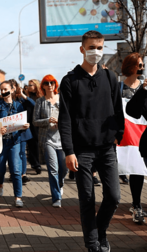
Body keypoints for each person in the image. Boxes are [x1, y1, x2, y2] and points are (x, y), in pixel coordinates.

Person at [59, 30, 124, 252]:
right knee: (87, 200)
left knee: (114, 196)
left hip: (107, 148)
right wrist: (69, 151)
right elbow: (65, 119)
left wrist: (119, 134)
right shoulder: (69, 81)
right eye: (91, 47)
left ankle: (100, 231)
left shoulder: (110, 77)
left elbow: (117, 109)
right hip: (82, 151)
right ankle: (93, 245)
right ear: (82, 49)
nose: (96, 51)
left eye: (99, 47)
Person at [0, 80, 30, 208]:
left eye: (6, 89)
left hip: (15, 141)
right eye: (1, 90)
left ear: (12, 89)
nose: (3, 92)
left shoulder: (19, 105)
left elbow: (22, 122)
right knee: (0, 168)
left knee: (16, 170)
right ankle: (0, 183)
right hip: (0, 143)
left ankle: (18, 197)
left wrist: (25, 126)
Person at [119, 53, 147, 224]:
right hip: (123, 135)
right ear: (130, 67)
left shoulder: (145, 87)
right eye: (139, 65)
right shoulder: (118, 88)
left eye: (143, 65)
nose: (142, 68)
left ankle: (137, 204)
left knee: (137, 169)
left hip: (141, 135)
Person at [33, 75, 67, 208]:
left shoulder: (62, 99)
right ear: (43, 86)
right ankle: (56, 197)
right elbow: (35, 121)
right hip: (47, 139)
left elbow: (69, 117)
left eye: (52, 82)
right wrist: (47, 121)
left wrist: (61, 122)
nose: (50, 85)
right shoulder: (40, 102)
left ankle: (61, 182)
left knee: (63, 169)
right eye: (47, 83)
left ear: (55, 85)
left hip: (62, 139)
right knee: (53, 169)